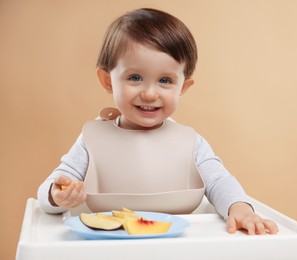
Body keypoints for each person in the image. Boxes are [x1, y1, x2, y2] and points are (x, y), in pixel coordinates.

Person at [37, 8, 278, 235]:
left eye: (165, 80)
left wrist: (239, 208)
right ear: (108, 80)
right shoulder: (92, 140)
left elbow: (219, 181)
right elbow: (51, 189)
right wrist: (56, 196)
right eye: (135, 77)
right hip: (110, 246)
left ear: (183, 87)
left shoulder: (191, 143)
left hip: (177, 247)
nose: (150, 93)